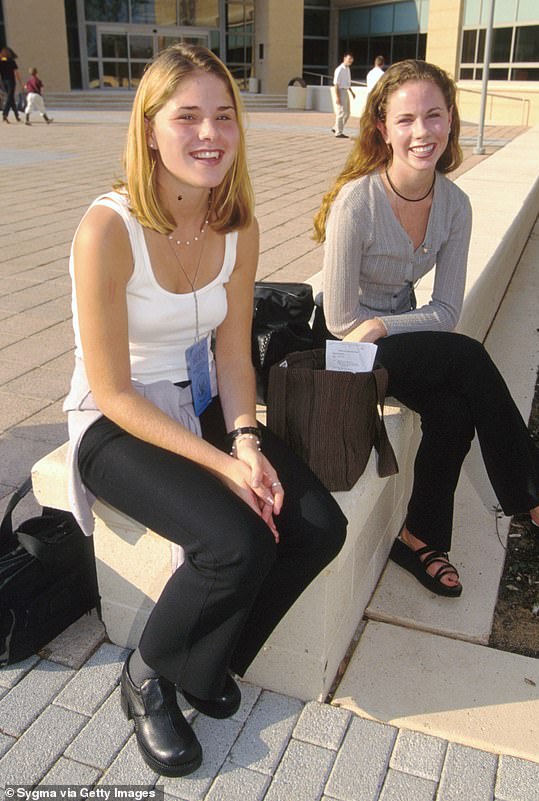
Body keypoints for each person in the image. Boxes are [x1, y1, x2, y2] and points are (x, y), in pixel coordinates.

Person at [64, 43, 346, 777]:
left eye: (224, 115)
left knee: (317, 527)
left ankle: (207, 660)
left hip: (207, 401)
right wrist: (223, 463)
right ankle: (150, 673)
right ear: (149, 127)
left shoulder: (236, 223)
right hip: (115, 420)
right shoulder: (108, 228)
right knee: (236, 542)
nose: (210, 134)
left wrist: (247, 439)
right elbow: (116, 390)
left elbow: (231, 355)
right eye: (187, 116)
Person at [314, 59, 539, 599]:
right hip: (342, 349)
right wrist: (382, 329)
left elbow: (445, 310)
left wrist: (385, 325)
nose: (422, 132)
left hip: (390, 337)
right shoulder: (357, 203)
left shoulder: (455, 205)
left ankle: (420, 537)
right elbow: (345, 320)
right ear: (383, 129)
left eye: (434, 116)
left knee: (454, 410)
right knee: (466, 357)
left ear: (451, 120)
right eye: (407, 119)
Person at [332, 52, 355, 139]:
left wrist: (351, 92)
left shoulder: (347, 69)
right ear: (344, 58)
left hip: (345, 91)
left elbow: (347, 82)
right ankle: (338, 132)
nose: (350, 61)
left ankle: (335, 127)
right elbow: (336, 84)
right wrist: (337, 97)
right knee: (341, 113)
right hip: (340, 91)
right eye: (349, 59)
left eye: (351, 59)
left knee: (347, 113)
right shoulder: (339, 69)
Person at [1, 47, 22, 123]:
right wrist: (21, 83)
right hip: (11, 81)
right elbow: (16, 73)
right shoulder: (12, 61)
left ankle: (17, 116)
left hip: (3, 81)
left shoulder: (1, 61)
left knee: (11, 98)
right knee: (10, 97)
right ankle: (5, 114)